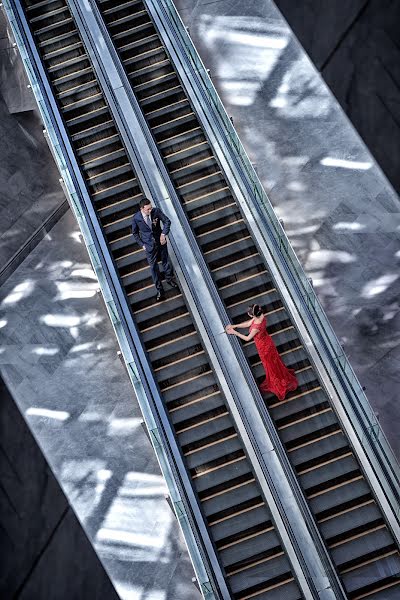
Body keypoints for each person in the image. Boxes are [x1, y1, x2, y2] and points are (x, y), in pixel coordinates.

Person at [225, 303, 298, 401]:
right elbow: (248, 323)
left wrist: (235, 332)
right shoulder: (261, 316)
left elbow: (247, 338)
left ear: (253, 315)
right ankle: (280, 377)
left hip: (263, 348)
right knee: (274, 363)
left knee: (269, 365)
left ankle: (277, 383)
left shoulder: (256, 327)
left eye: (249, 314)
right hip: (268, 342)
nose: (248, 315)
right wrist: (234, 326)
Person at [131, 198, 177, 301]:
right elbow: (135, 233)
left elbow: (167, 221)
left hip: (160, 241)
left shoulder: (156, 211)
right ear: (142, 209)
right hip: (149, 246)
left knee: (165, 261)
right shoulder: (136, 218)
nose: (150, 210)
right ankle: (159, 289)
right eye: (148, 209)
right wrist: (142, 245)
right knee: (153, 268)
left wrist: (163, 234)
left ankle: (169, 279)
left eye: (151, 208)